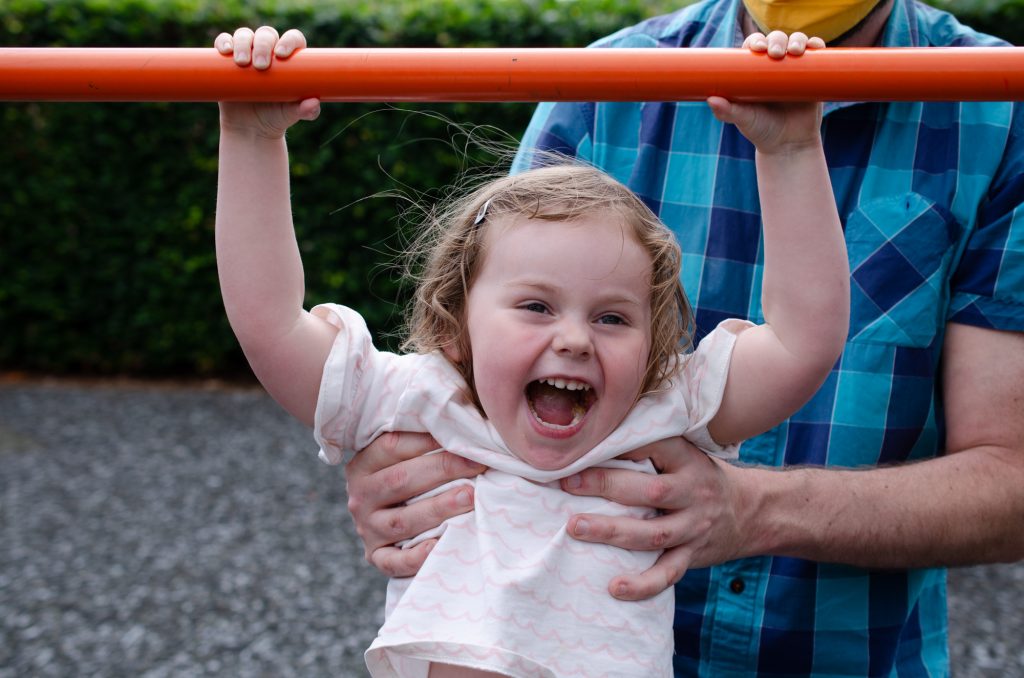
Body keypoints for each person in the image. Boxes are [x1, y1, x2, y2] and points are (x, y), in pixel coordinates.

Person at [331, 0, 1024, 675]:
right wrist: (400, 463)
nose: (572, 340)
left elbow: (1009, 476)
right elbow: (481, 351)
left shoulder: (1001, 103)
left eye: (609, 317)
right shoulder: (602, 89)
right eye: (549, 308)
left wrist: (754, 510)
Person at [214, 25, 849, 676]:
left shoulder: (657, 412)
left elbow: (805, 341)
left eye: (612, 318)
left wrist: (793, 151)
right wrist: (251, 140)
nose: (574, 338)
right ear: (456, 324)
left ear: (654, 346)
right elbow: (269, 323)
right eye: (536, 307)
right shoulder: (421, 396)